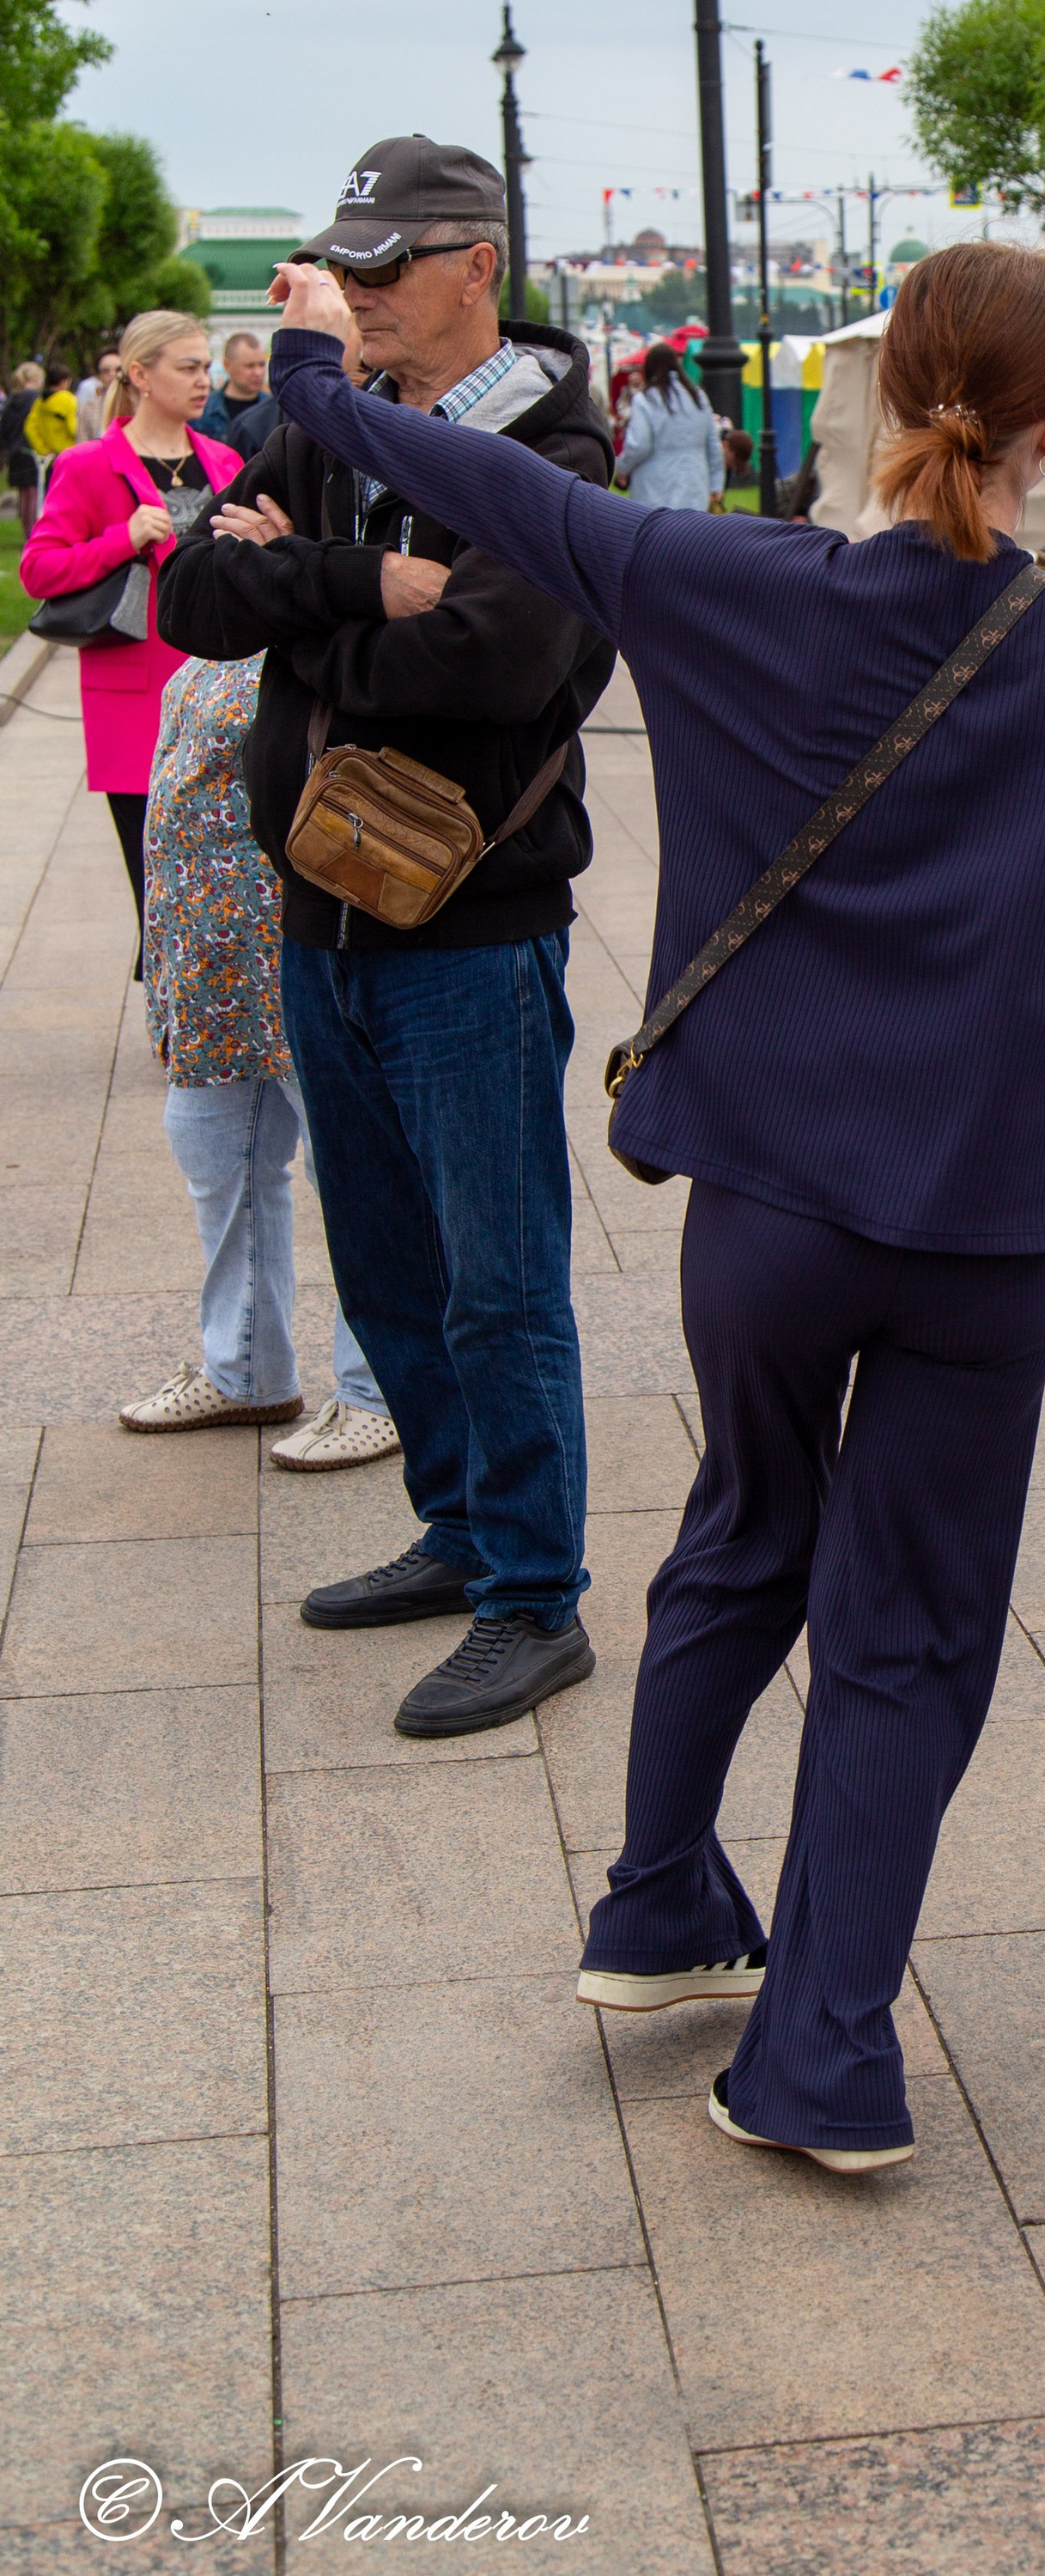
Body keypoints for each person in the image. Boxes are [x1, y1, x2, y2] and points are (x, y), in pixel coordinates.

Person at [254, 235, 1045, 2174]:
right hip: (983, 1230)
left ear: (888, 392)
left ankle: (654, 1908)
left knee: (741, 1529)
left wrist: (310, 384)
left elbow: (507, 492)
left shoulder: (710, 577)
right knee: (907, 1628)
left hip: (767, 1204)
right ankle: (820, 2051)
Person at [158, 134, 615, 1744]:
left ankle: (533, 1594)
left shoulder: (558, 442)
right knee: (389, 1258)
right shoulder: (325, 423)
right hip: (322, 905)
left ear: (476, 262)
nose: (354, 294)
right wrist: (367, 583)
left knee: (499, 1277)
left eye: (383, 265)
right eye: (341, 267)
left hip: (469, 918)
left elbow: (500, 663)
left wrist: (302, 613)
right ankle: (462, 1525)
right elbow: (186, 603)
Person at [120, 649, 399, 1462]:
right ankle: (245, 1368)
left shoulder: (320, 626)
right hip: (208, 970)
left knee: (348, 1170)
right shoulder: (215, 632)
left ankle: (378, 1388)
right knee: (215, 1154)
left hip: (292, 947)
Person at [19, 313, 239, 973]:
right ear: (140, 375)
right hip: (135, 696)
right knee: (155, 878)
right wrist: (123, 537)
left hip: (216, 690)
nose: (206, 379)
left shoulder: (223, 459)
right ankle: (173, 1011)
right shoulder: (88, 466)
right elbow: (38, 568)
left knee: (216, 872)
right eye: (189, 366)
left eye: (208, 366)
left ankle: (207, 1010)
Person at [617, 341, 723, 509]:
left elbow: (639, 444)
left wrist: (622, 468)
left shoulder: (646, 399)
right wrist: (716, 483)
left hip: (654, 487)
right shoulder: (698, 396)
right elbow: (713, 444)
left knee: (658, 535)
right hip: (695, 484)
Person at [201, 331, 281, 462]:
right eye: (249, 366)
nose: (258, 372)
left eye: (261, 365)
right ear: (227, 365)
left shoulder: (275, 413)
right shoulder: (204, 409)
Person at [24, 360, 82, 505]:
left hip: (51, 459)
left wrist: (43, 450)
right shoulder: (68, 400)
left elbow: (29, 427)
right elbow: (74, 429)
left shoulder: (40, 402)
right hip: (71, 457)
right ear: (64, 382)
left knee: (53, 501)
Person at [4, 362, 42, 534]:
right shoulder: (38, 398)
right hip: (32, 449)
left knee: (23, 494)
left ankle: (27, 530)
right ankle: (34, 532)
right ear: (37, 378)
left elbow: (4, 426)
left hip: (15, 450)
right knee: (34, 492)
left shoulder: (13, 399)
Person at [78, 351, 119, 442]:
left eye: (118, 370)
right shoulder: (90, 407)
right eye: (106, 371)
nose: (113, 374)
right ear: (98, 376)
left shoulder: (138, 404)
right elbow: (82, 442)